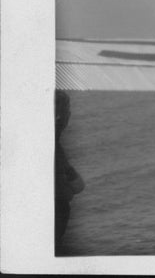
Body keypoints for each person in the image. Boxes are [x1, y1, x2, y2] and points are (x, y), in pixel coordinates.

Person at [55, 90, 84, 253]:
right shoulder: (52, 147)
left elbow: (78, 186)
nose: (64, 117)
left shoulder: (57, 147)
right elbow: (75, 188)